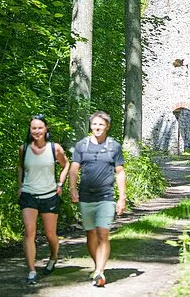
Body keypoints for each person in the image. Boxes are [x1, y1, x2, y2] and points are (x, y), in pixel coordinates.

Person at [69, 110, 126, 288]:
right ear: (90, 126)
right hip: (86, 196)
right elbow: (74, 168)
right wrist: (72, 188)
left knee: (103, 233)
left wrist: (122, 198)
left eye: (101, 124)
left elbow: (120, 172)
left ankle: (100, 271)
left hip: (106, 197)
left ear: (107, 126)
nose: (97, 127)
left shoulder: (114, 146)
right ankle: (97, 267)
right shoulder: (82, 146)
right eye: (94, 124)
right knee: (90, 234)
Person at [18, 114, 70, 285]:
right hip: (29, 195)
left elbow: (66, 165)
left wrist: (60, 183)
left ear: (46, 129)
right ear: (30, 129)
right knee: (29, 232)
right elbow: (20, 167)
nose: (37, 131)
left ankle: (54, 256)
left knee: (50, 234)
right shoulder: (23, 148)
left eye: (40, 128)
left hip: (49, 196)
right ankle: (32, 270)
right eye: (34, 128)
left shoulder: (55, 148)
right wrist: (20, 186)